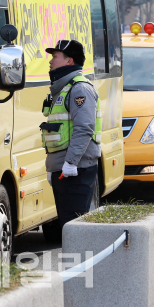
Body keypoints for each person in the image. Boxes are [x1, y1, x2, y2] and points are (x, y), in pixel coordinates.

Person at [40, 39, 101, 233]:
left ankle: (81, 263)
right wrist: (54, 166)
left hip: (77, 170)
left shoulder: (79, 89)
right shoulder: (63, 88)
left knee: (74, 229)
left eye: (55, 56)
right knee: (69, 226)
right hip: (65, 170)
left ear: (69, 61)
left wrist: (71, 163)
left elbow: (84, 128)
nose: (51, 61)